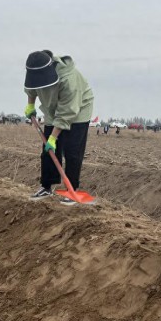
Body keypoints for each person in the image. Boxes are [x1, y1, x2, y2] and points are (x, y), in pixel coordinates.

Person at [24, 50, 94, 205]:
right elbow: (31, 89)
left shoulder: (68, 80)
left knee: (72, 151)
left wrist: (53, 138)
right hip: (52, 109)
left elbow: (67, 112)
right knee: (47, 150)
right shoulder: (35, 72)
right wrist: (30, 105)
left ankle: (72, 189)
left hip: (78, 109)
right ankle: (46, 186)